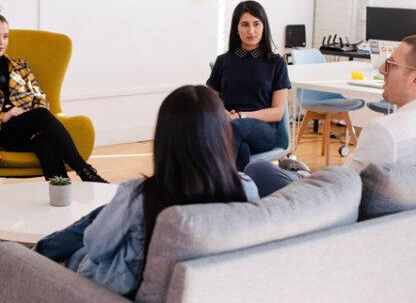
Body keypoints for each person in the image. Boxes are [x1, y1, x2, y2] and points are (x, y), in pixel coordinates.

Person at [33, 85, 259, 297]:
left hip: (119, 288)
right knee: (105, 212)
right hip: (203, 290)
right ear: (222, 134)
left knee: (84, 243)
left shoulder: (141, 196)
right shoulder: (245, 188)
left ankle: (33, 256)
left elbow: (96, 247)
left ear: (165, 138)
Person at [0, 2, 106, 183]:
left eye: (5, 36)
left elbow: (39, 96)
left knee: (44, 143)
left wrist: (29, 117)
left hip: (27, 127)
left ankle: (61, 194)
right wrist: (1, 117)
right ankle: (85, 171)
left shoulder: (20, 66)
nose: (1, 42)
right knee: (40, 116)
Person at [245, 35, 416, 196]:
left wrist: (314, 181)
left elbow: (342, 186)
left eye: (391, 64)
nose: (381, 69)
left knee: (258, 169)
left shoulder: (385, 131)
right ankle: (302, 173)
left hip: (327, 201)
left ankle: (302, 175)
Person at [207, 0, 291, 171]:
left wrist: (240, 115)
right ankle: (240, 192)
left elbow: (277, 112)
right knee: (241, 150)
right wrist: (221, 112)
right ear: (236, 29)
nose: (251, 31)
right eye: (245, 24)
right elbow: (209, 101)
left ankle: (208, 181)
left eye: (256, 24)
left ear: (264, 27)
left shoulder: (276, 63)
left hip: (264, 131)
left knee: (233, 128)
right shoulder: (224, 61)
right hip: (231, 129)